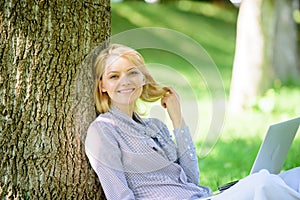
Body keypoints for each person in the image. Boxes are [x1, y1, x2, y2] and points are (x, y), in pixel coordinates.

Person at [85, 43, 300, 200]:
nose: (125, 81)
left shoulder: (155, 126)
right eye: (114, 76)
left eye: (132, 73)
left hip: (201, 197)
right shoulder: (104, 131)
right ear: (102, 85)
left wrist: (178, 120)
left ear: (143, 78)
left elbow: (190, 179)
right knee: (262, 182)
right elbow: (119, 196)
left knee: (295, 177)